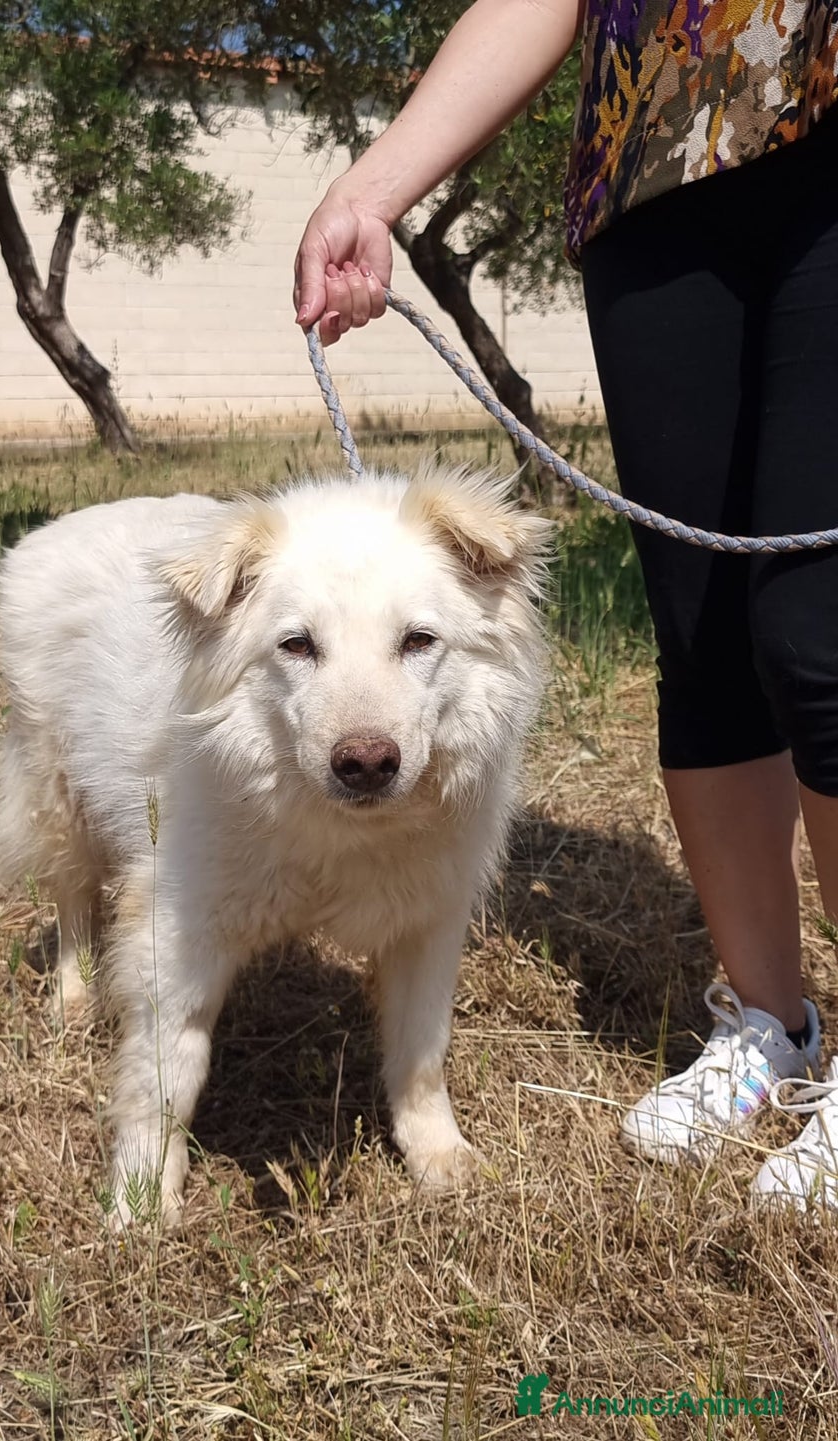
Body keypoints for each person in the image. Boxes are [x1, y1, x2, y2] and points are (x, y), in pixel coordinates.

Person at [292, 0, 838, 1207]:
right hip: (657, 167)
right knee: (702, 636)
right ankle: (767, 1021)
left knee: (819, 635)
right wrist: (372, 190)